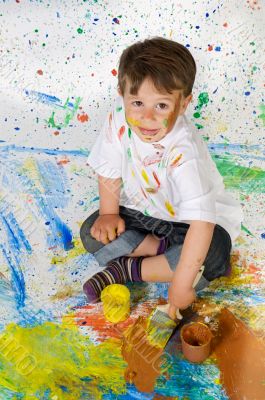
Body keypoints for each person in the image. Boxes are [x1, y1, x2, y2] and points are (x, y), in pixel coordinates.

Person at [80, 36, 243, 319]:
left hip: (193, 223)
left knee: (212, 254)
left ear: (183, 104)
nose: (147, 117)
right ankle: (166, 257)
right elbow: (108, 168)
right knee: (92, 231)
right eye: (138, 102)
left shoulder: (183, 153)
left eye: (162, 106)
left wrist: (181, 284)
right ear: (122, 94)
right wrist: (108, 213)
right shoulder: (119, 121)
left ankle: (128, 269)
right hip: (145, 213)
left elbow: (202, 225)